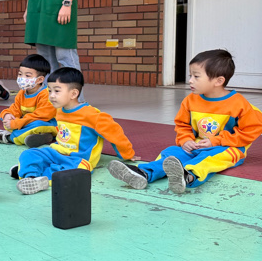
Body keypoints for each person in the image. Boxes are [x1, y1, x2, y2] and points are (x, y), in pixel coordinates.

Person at [109, 49, 262, 194]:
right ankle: (144, 173)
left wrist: (216, 141)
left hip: (227, 148)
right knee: (171, 153)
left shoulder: (239, 104)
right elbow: (182, 125)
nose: (190, 80)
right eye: (190, 75)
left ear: (218, 81)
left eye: (196, 76)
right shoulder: (190, 100)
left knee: (211, 158)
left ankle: (188, 176)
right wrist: (185, 140)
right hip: (196, 145)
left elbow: (250, 131)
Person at [12, 67, 134, 195]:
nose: (51, 96)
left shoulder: (92, 115)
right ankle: (31, 176)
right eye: (50, 90)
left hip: (77, 159)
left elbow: (115, 133)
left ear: (73, 94)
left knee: (76, 170)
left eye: (57, 91)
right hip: (55, 152)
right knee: (30, 153)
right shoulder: (59, 110)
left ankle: (35, 175)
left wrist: (127, 154)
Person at [0, 54, 56, 147]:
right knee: (8, 121)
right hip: (27, 122)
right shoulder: (22, 93)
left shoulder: (47, 94)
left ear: (40, 79)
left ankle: (8, 138)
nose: (22, 78)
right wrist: (7, 115)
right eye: (20, 74)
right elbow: (15, 108)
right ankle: (43, 136)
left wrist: (16, 123)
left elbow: (41, 116)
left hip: (49, 124)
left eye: (27, 75)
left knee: (37, 124)